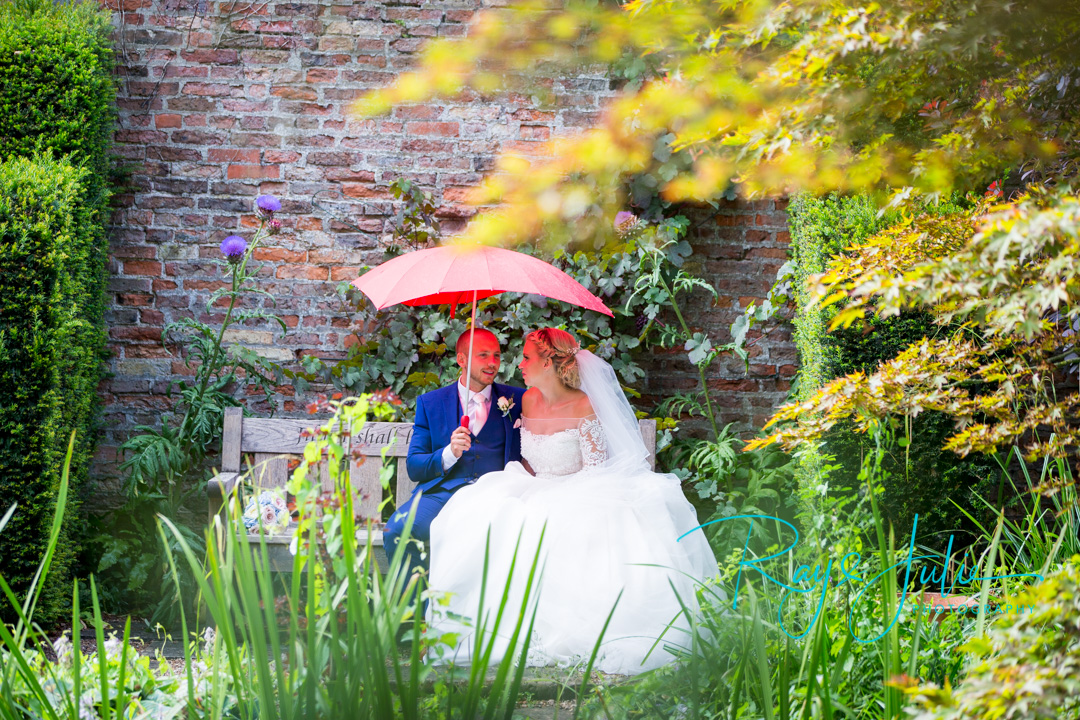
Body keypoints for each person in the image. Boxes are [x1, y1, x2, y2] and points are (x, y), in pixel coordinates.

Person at [426, 328, 718, 675]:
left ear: (548, 362)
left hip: (581, 489)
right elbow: (530, 461)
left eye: (526, 358)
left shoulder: (584, 405)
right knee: (480, 513)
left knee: (556, 525)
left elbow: (596, 471)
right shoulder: (528, 400)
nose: (517, 364)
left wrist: (558, 495)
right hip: (535, 486)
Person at [384, 328, 526, 593]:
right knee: (397, 532)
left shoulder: (517, 399)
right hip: (442, 495)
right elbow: (415, 466)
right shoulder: (430, 403)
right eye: (483, 355)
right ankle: (414, 621)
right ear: (461, 360)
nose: (493, 362)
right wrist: (449, 452)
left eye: (496, 355)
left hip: (495, 497)